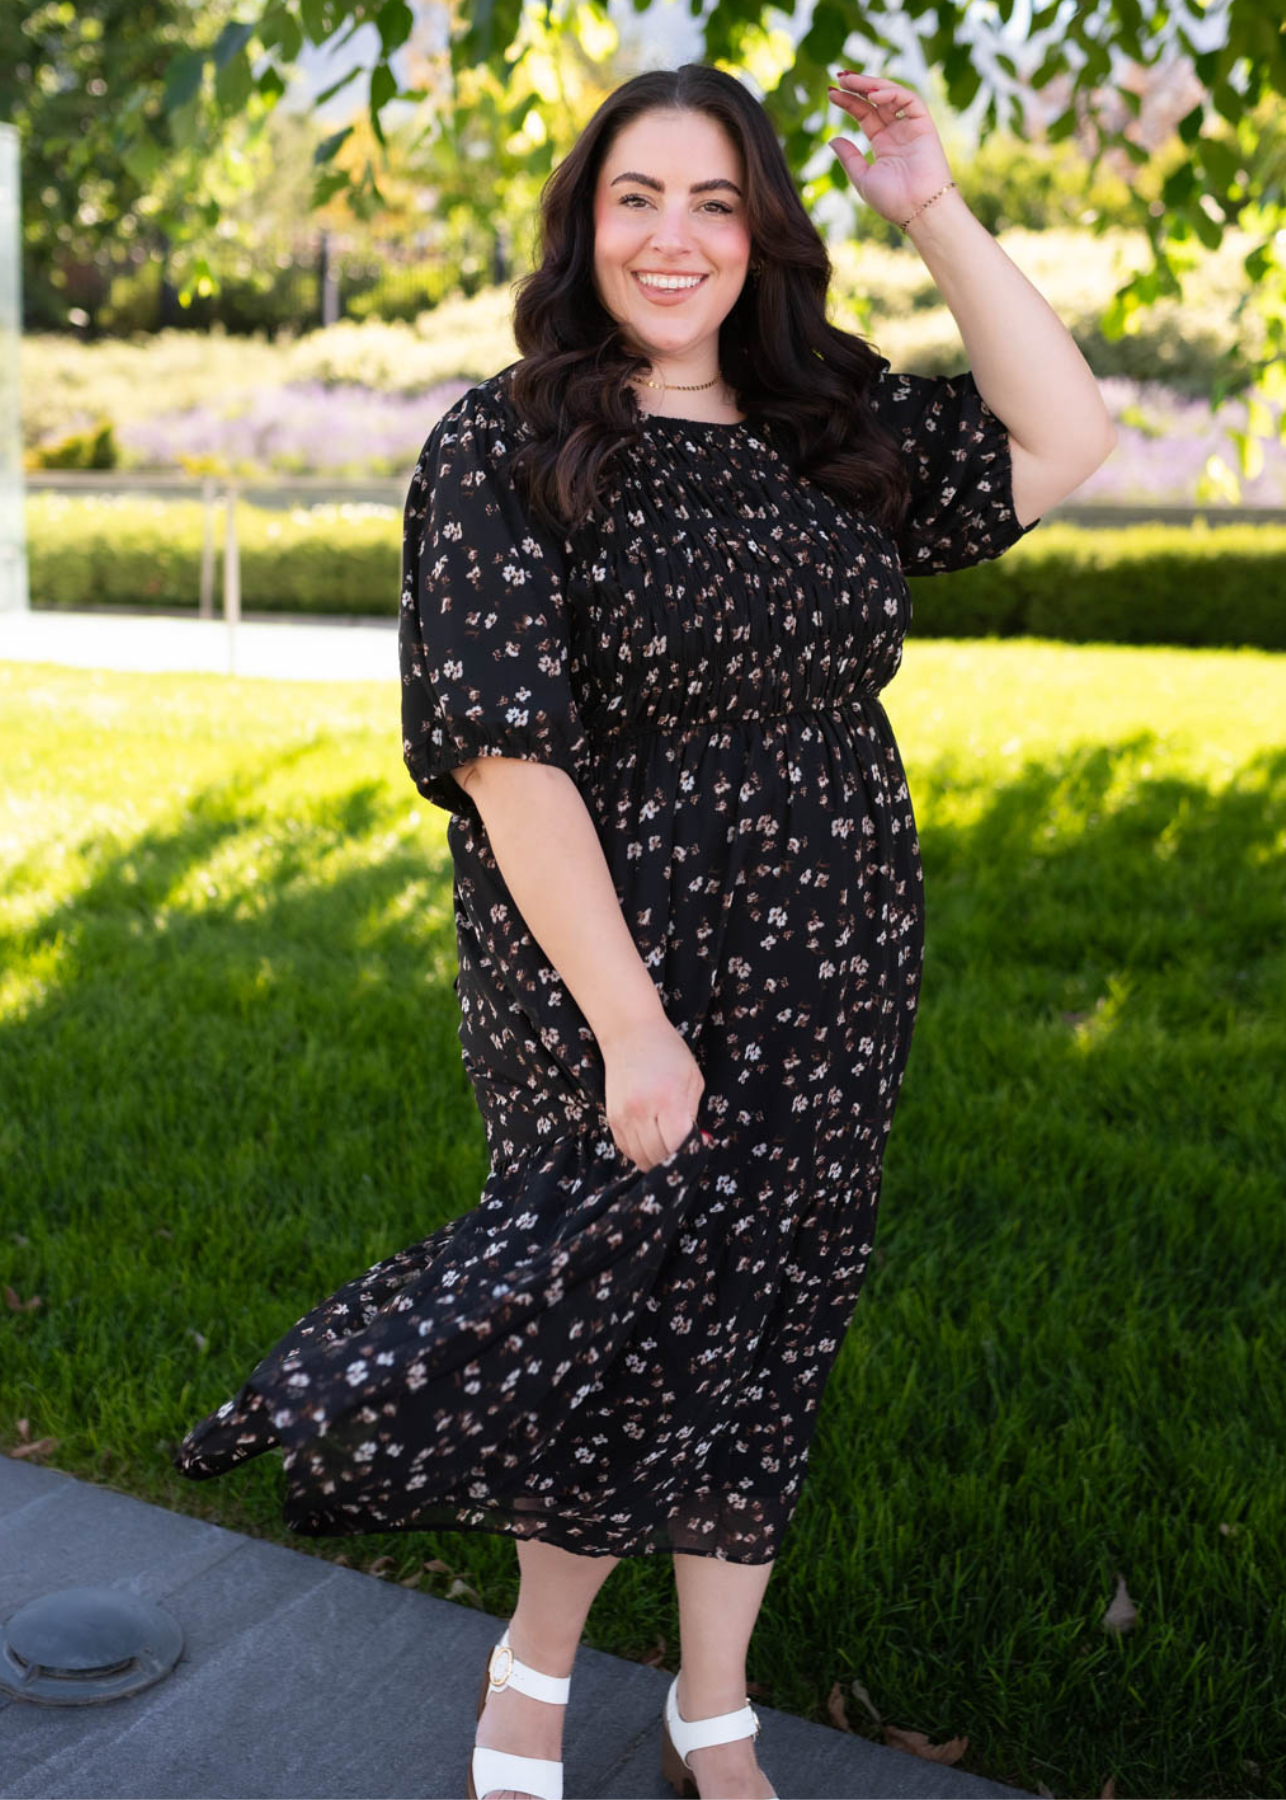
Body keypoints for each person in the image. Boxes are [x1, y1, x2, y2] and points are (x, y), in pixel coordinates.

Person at [172, 62, 1115, 1800]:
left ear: (760, 230)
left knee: (774, 1312)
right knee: (614, 1310)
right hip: (612, 964)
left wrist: (928, 203)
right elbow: (500, 750)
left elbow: (1067, 437)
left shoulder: (829, 433)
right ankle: (531, 1667)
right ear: (582, 224)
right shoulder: (510, 443)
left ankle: (712, 1707)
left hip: (832, 960)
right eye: (635, 198)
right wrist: (631, 1024)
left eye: (711, 200)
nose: (672, 237)